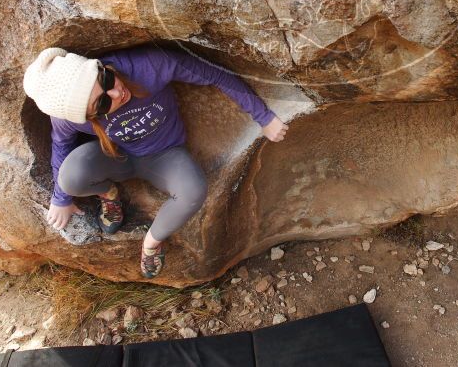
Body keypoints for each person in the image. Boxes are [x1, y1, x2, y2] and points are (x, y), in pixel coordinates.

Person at [23, 45, 288, 278]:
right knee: (70, 178)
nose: (116, 93)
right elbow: (61, 145)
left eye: (106, 78)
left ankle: (152, 242)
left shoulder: (145, 66)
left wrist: (263, 117)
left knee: (193, 190)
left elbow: (213, 73)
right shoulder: (68, 119)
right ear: (84, 115)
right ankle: (109, 192)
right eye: (102, 102)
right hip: (117, 156)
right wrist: (60, 199)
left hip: (164, 155)